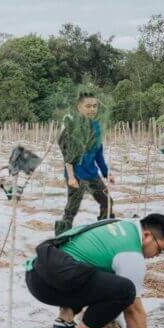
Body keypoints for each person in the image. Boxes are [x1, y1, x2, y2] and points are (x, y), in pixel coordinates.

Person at [25, 214, 164, 328]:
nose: (157, 255)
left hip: (37, 271)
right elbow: (133, 310)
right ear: (147, 236)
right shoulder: (131, 254)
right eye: (160, 250)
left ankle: (65, 321)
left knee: (98, 272)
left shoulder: (122, 225)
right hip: (48, 284)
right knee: (125, 290)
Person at [56, 92, 114, 236]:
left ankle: (102, 231)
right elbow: (68, 156)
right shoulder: (73, 127)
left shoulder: (96, 126)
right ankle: (61, 238)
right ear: (79, 107)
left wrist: (106, 173)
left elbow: (98, 153)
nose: (92, 109)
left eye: (95, 106)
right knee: (71, 209)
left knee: (107, 202)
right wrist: (71, 177)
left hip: (92, 174)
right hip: (76, 175)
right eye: (88, 106)